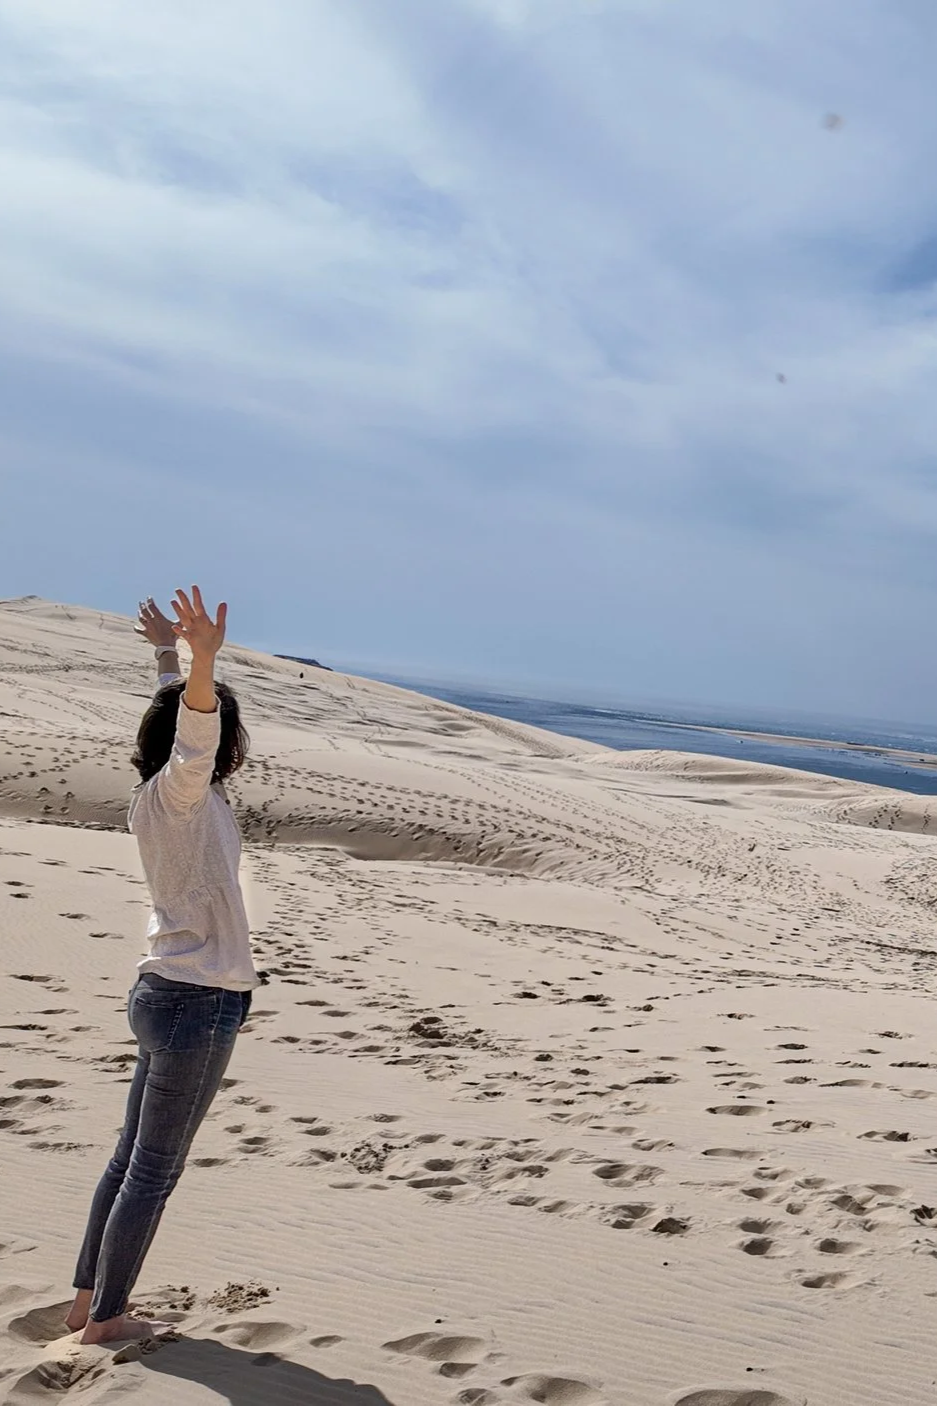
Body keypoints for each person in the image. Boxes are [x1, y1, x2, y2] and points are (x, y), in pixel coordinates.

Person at [65, 587, 260, 1346]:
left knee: (128, 1160)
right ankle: (108, 1319)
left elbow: (171, 722)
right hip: (194, 1002)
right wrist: (202, 664)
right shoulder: (181, 795)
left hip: (164, 992)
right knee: (152, 1169)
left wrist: (168, 659)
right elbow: (190, 738)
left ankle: (89, 1301)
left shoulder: (165, 797)